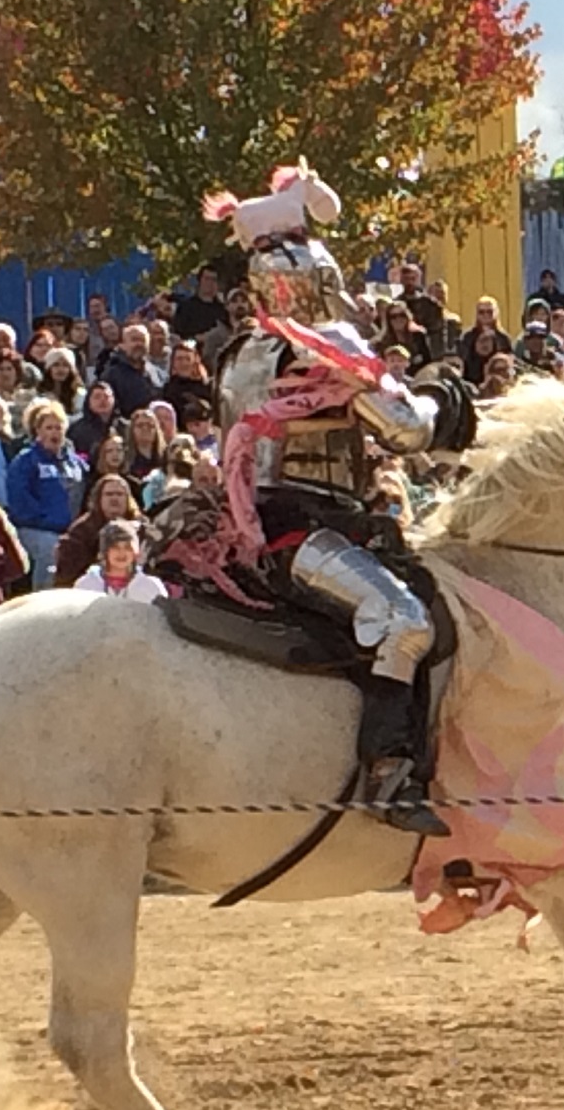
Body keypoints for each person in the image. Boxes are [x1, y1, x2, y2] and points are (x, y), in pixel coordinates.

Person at [187, 160, 475, 836]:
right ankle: (387, 771)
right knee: (403, 619)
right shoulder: (322, 351)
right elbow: (408, 432)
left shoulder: (240, 351)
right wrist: (444, 396)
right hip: (298, 526)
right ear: (314, 282)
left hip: (275, 521)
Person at [5, 398, 86, 591]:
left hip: (69, 529)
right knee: (51, 549)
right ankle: (41, 599)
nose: (54, 433)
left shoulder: (75, 463)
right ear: (38, 432)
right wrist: (46, 520)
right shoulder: (26, 460)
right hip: (33, 529)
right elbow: (19, 498)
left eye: (58, 428)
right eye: (49, 428)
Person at [53, 471, 143, 587]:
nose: (114, 498)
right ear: (98, 499)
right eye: (109, 494)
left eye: (120, 494)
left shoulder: (142, 527)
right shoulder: (82, 529)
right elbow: (67, 573)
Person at [73, 518, 168, 603]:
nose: (121, 553)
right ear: (105, 551)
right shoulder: (85, 585)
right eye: (115, 547)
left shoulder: (151, 586)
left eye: (127, 547)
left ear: (135, 551)